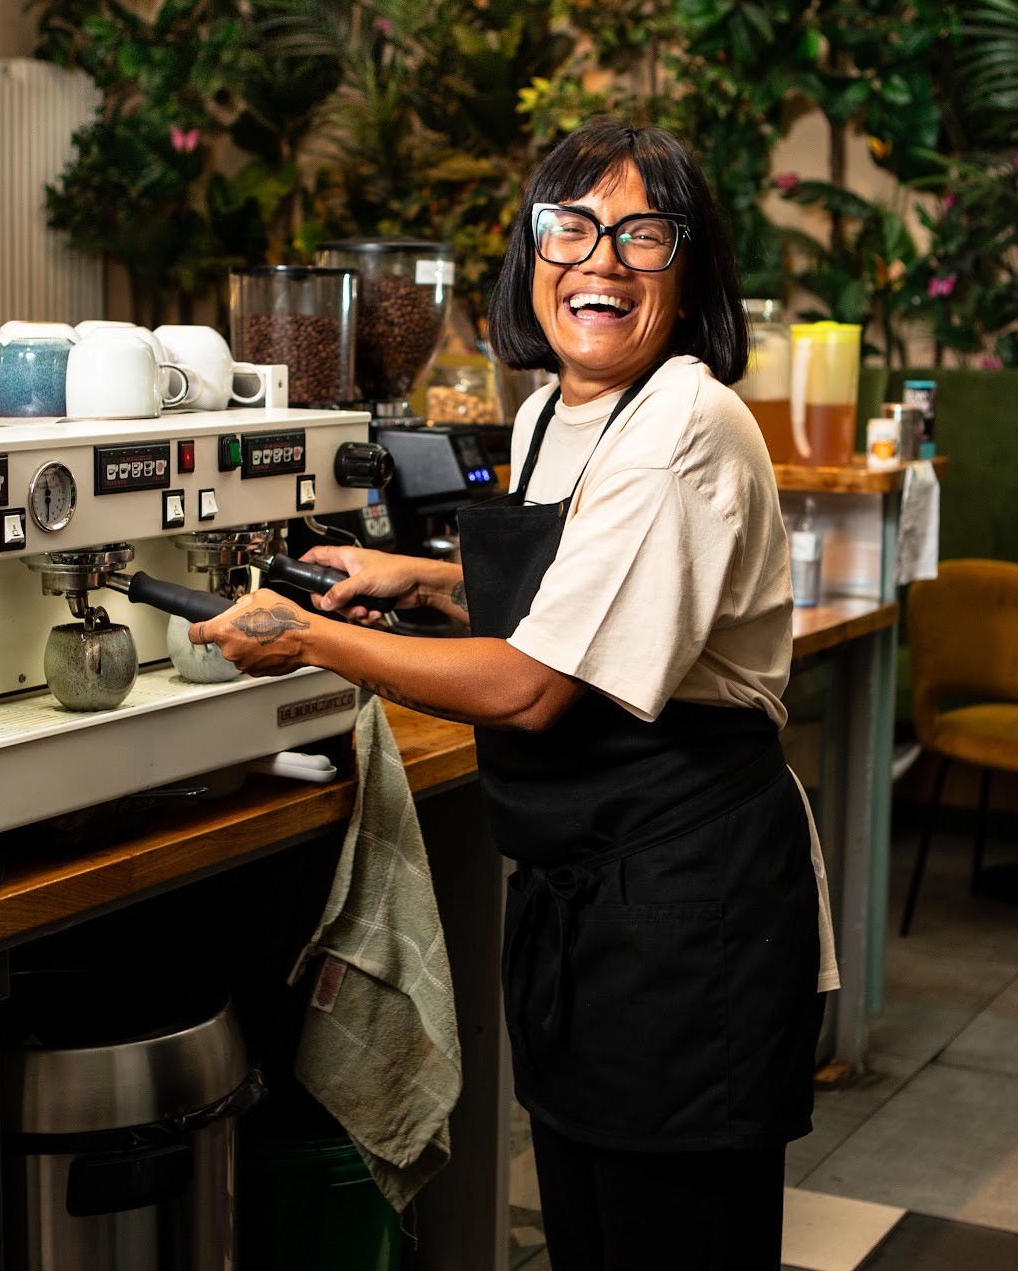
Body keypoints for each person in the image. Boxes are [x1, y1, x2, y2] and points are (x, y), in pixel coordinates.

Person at [195, 121, 837, 1271]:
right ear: (529, 252)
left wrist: (312, 638)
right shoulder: (548, 411)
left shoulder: (683, 423)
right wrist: (417, 575)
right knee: (592, 1232)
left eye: (642, 235)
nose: (600, 262)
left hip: (687, 909)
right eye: (569, 228)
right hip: (590, 897)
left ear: (687, 269)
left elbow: (534, 685)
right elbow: (576, 588)